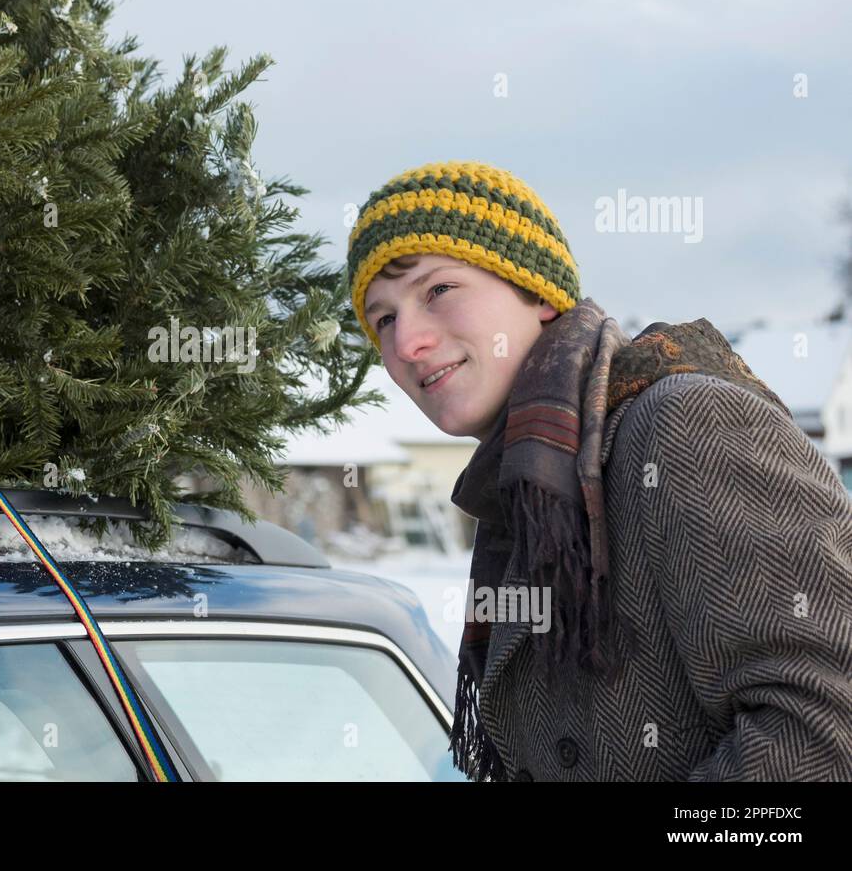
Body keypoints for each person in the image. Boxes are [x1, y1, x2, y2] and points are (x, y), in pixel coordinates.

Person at [346, 160, 852, 781]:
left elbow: (824, 732)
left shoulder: (684, 424)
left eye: (437, 291)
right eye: (383, 319)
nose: (405, 344)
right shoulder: (528, 497)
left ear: (535, 291)